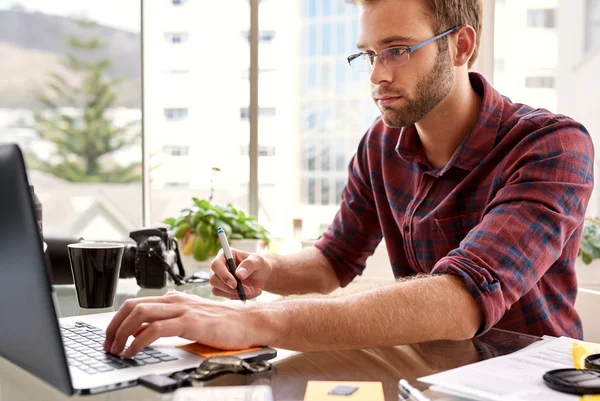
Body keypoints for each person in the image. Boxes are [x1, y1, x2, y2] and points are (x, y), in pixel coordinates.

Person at [104, 0, 594, 359]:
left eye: (398, 50)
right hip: (430, 369)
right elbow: (333, 260)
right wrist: (268, 269)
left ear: (461, 46)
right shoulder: (381, 144)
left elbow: (461, 301)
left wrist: (251, 320)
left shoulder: (552, 146)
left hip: (533, 380)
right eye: (369, 54)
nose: (378, 75)